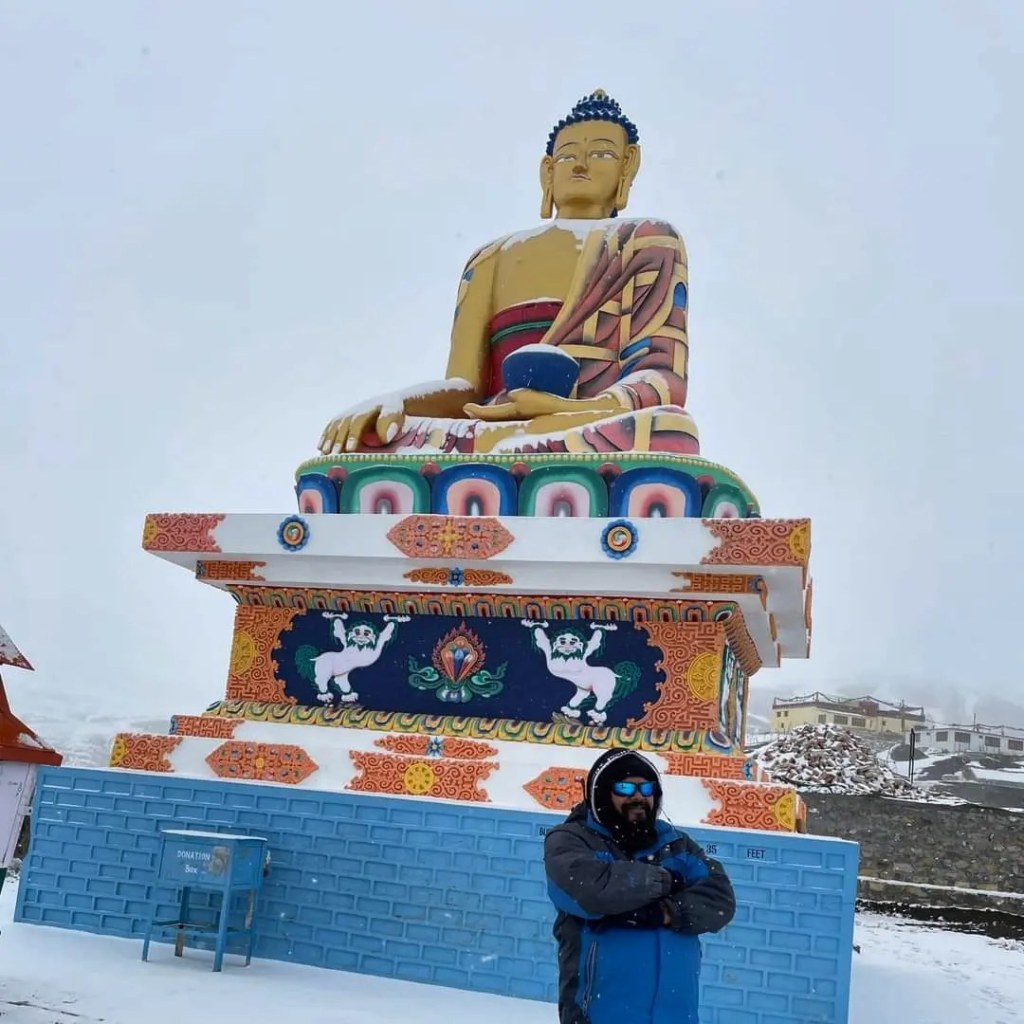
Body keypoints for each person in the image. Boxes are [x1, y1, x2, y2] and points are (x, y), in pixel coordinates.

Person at [318, 90, 700, 457]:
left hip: (589, 423)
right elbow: (465, 388)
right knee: (376, 439)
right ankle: (512, 454)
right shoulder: (491, 258)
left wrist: (569, 409)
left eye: (600, 153)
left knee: (670, 429)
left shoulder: (647, 241)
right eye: (568, 156)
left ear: (628, 164)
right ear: (547, 171)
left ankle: (504, 459)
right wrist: (399, 403)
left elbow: (661, 373)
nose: (580, 165)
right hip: (492, 425)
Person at [543, 748, 736, 1024]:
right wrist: (667, 881)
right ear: (601, 794)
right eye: (624, 788)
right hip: (599, 1015)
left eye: (646, 788)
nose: (638, 796)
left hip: (675, 1016)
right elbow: (592, 892)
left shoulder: (676, 843)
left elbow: (720, 900)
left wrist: (665, 913)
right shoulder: (571, 840)